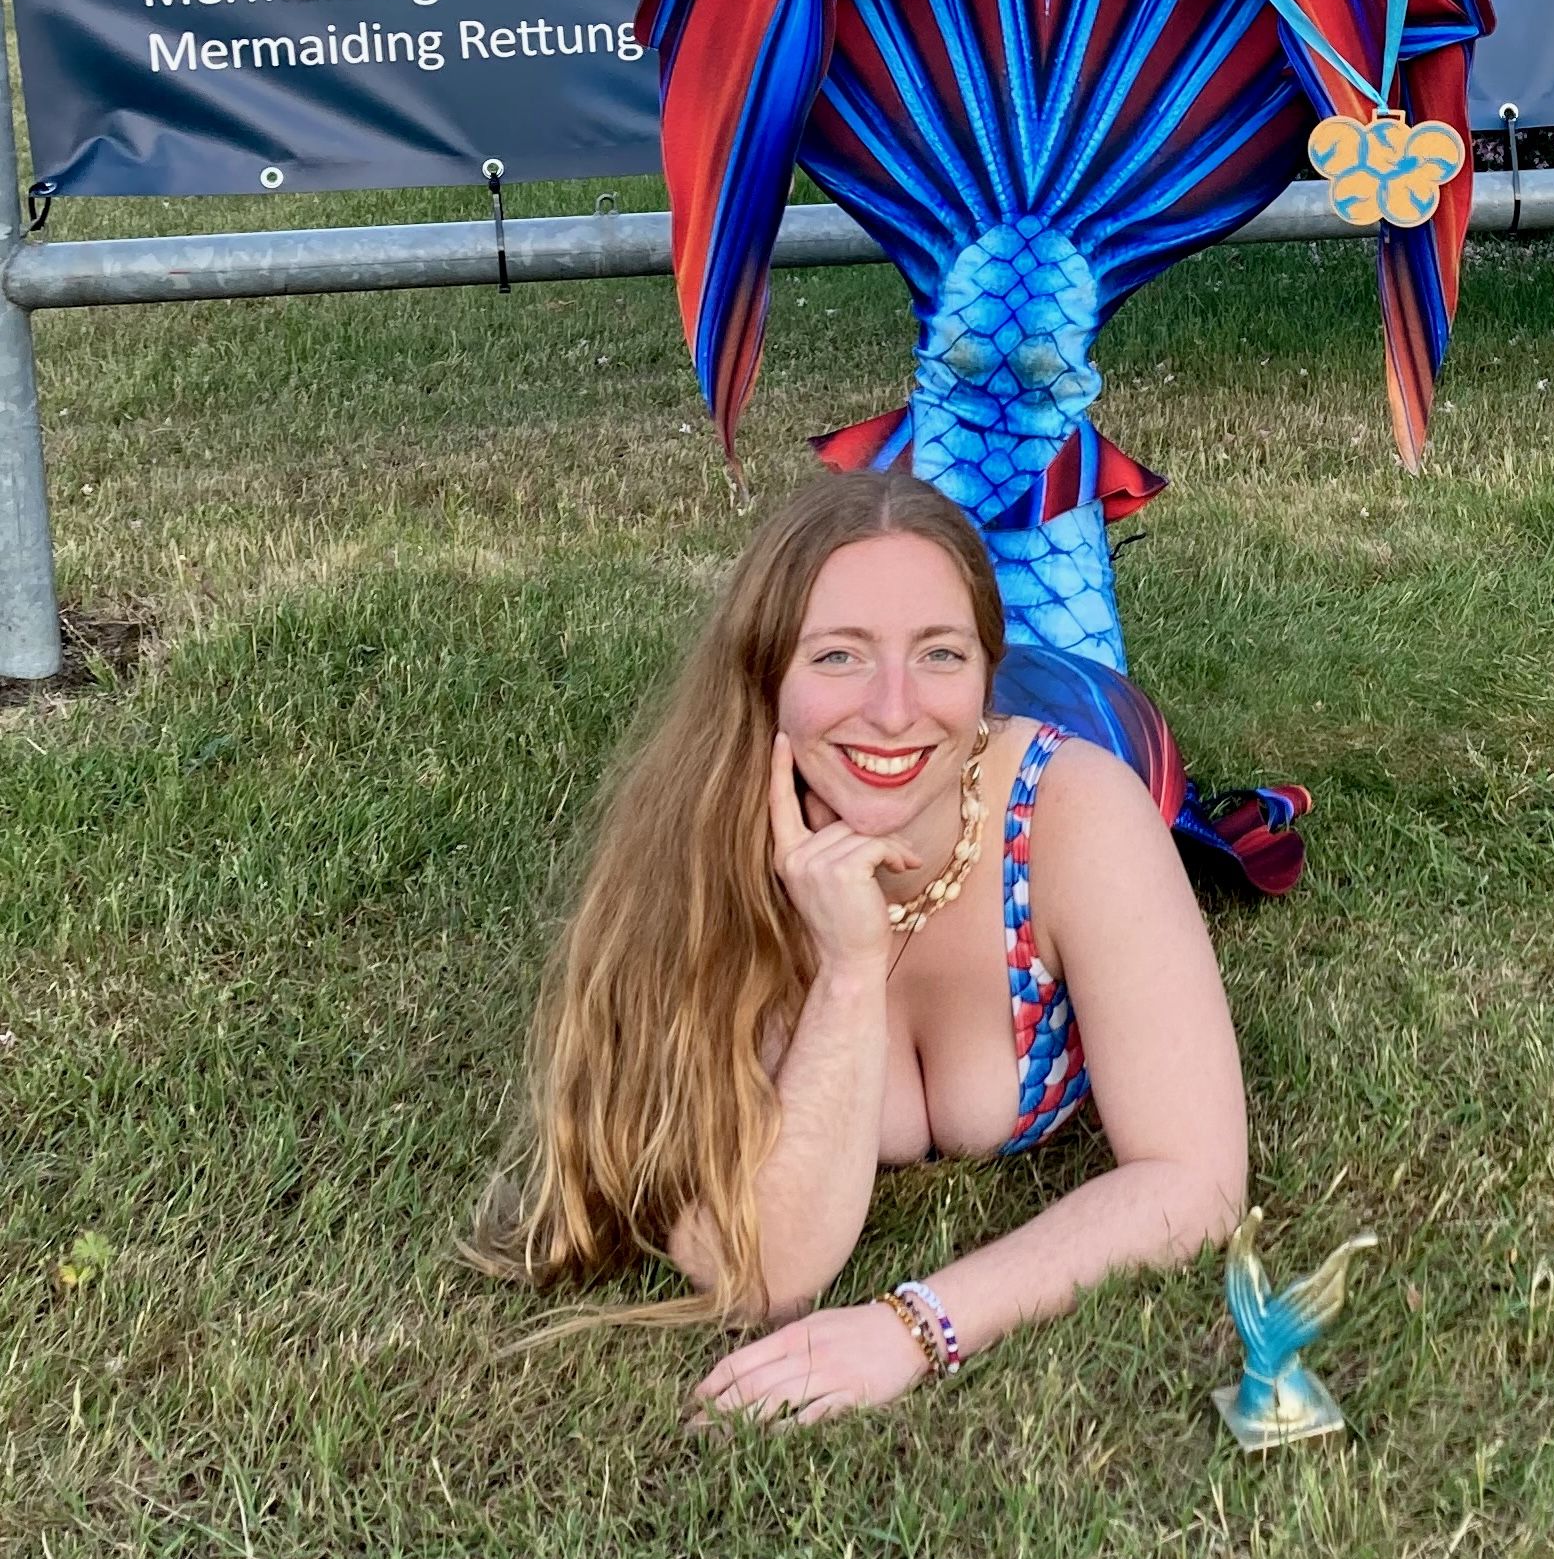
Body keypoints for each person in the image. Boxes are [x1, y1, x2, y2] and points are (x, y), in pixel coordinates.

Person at [471, 471, 1248, 1422]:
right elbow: (760, 1270)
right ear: (765, 673)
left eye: (940, 653)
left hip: (1095, 723)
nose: (891, 708)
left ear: (984, 667)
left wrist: (915, 1325)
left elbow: (1194, 1181)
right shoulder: (710, 861)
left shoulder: (1077, 814)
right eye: (838, 656)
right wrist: (845, 968)